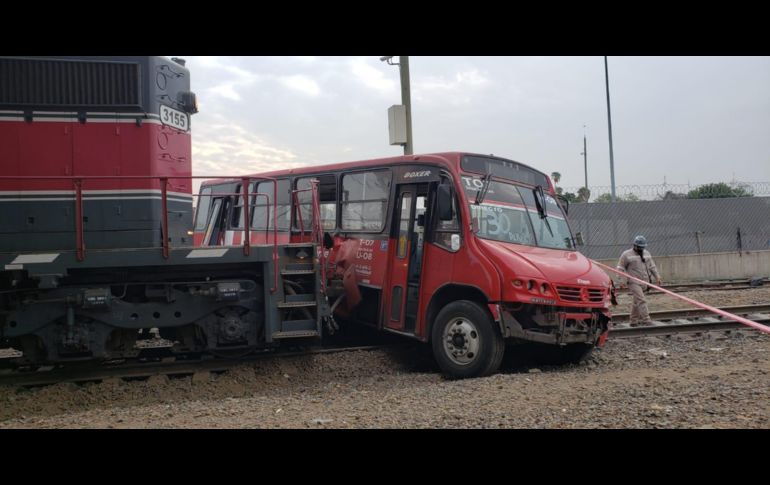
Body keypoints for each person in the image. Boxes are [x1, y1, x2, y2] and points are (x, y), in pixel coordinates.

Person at [616, 235, 662, 326]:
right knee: (641, 300)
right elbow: (620, 268)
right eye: (639, 247)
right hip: (633, 282)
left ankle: (633, 321)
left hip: (645, 281)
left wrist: (657, 277)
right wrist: (621, 281)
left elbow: (652, 266)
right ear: (634, 245)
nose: (641, 249)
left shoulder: (647, 254)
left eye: (642, 247)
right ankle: (646, 320)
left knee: (637, 301)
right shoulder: (626, 254)